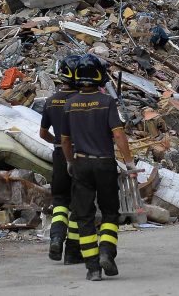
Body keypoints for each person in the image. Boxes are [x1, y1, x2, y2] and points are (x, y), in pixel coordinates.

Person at [60, 55, 136, 282]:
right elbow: (118, 134)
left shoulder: (70, 104)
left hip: (81, 163)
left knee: (84, 216)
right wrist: (129, 162)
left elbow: (65, 140)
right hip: (104, 163)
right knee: (110, 211)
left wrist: (69, 161)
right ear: (99, 76)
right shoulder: (107, 102)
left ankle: (93, 268)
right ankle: (106, 251)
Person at [39, 56, 81, 264]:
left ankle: (55, 238)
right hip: (80, 155)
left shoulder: (51, 101)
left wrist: (57, 142)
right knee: (80, 203)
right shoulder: (82, 101)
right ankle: (72, 251)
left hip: (58, 154)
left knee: (60, 201)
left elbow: (42, 133)